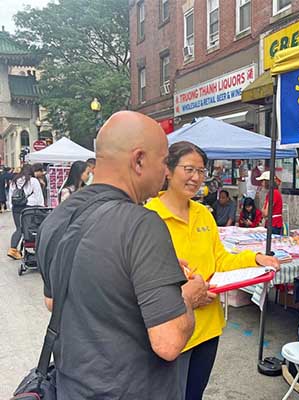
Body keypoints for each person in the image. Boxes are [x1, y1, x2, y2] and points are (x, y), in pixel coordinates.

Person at [36, 111, 209, 399]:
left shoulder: (56, 218)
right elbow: (168, 342)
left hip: (72, 386)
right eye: (165, 161)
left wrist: (145, 275)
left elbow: (54, 300)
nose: (167, 173)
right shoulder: (142, 224)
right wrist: (188, 296)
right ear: (139, 160)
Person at [145, 141, 280, 400]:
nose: (196, 178)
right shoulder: (149, 217)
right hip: (172, 330)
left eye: (201, 171)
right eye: (188, 169)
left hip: (209, 327)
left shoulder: (204, 214)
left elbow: (220, 260)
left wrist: (256, 259)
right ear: (168, 171)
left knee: (195, 394)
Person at [7, 164, 44, 260]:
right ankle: (14, 249)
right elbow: (39, 196)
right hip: (29, 208)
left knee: (19, 228)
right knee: (28, 229)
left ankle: (14, 249)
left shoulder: (14, 181)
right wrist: (41, 207)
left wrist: (12, 207)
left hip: (16, 208)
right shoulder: (33, 181)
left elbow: (11, 195)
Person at [257, 170, 283, 235]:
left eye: (262, 181)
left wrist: (264, 211)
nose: (261, 183)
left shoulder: (273, 193)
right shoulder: (272, 193)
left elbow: (265, 212)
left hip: (274, 224)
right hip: (271, 223)